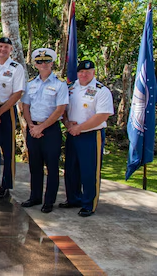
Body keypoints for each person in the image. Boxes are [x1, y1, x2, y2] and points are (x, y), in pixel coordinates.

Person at [61, 60, 114, 217]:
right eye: (81, 72)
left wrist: (80, 128)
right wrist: (67, 123)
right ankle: (73, 199)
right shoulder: (70, 88)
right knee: (70, 169)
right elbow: (63, 109)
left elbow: (102, 115)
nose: (84, 74)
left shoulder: (101, 90)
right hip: (72, 133)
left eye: (88, 72)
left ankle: (89, 204)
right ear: (77, 73)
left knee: (89, 170)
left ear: (93, 73)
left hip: (91, 135)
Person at [21, 48, 68, 213]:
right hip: (33, 127)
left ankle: (49, 201)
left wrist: (41, 127)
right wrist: (31, 126)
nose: (43, 64)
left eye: (46, 61)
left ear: (52, 63)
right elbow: (25, 106)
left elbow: (60, 109)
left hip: (50, 130)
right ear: (35, 64)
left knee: (52, 166)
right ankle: (35, 197)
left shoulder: (60, 84)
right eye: (40, 62)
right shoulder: (30, 84)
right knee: (34, 165)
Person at [0, 37, 26, 198]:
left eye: (6, 47)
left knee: (7, 150)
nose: (3, 49)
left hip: (5, 112)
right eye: (0, 46)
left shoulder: (16, 68)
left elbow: (17, 94)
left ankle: (6, 184)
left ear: (11, 50)